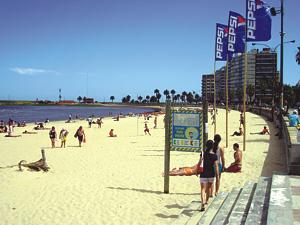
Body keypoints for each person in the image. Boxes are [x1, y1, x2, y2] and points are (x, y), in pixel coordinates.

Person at [200, 140, 219, 211]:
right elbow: (216, 166)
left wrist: (196, 170)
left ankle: (202, 203)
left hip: (203, 173)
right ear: (212, 146)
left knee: (202, 189)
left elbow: (199, 162)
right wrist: (217, 176)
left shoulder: (202, 153)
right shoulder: (214, 155)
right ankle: (206, 201)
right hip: (211, 174)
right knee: (208, 188)